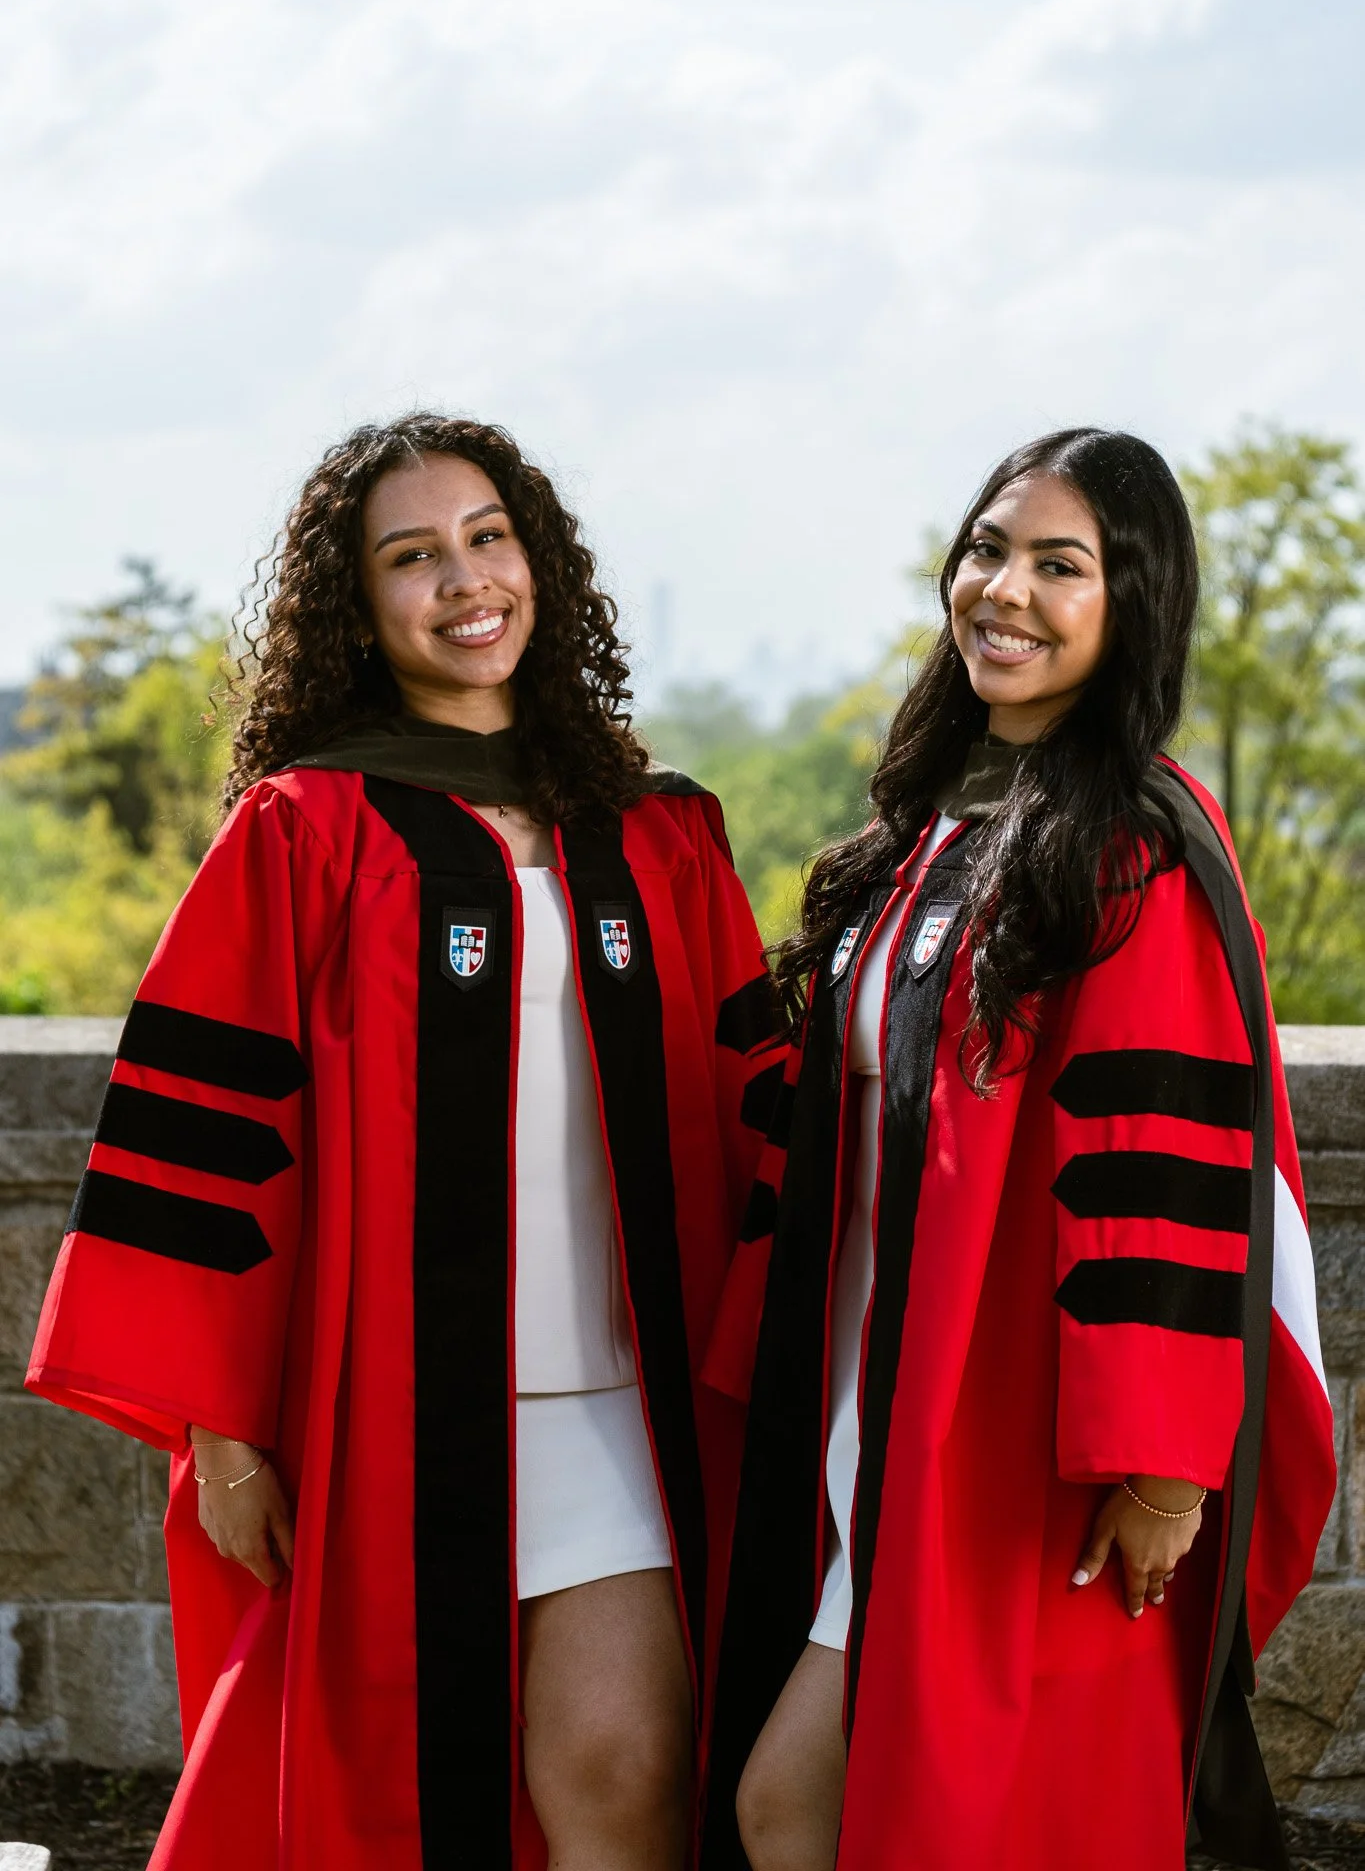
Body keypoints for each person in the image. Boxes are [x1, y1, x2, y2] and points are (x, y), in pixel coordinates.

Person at [27, 413, 783, 1871]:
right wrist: (225, 1428)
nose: (464, 580)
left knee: (627, 1777)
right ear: (362, 609)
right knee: (385, 1802)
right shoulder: (307, 831)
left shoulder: (660, 836)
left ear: (538, 560)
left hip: (621, 1406)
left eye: (488, 538)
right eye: (413, 557)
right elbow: (208, 1129)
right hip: (391, 1413)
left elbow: (760, 1104)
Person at [700, 428, 1336, 1871]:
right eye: (989, 550)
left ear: (1133, 605)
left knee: (873, 1810)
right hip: (883, 1404)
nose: (1008, 590)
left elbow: (1167, 1165)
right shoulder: (934, 827)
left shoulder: (1134, 849)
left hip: (1011, 1442)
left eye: (1063, 565)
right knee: (811, 1810)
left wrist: (1164, 1467)